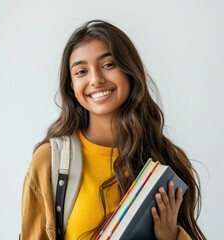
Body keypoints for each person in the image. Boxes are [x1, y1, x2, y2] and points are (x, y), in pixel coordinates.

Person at [20, 20, 206, 240]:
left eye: (108, 65)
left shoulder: (168, 160)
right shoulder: (50, 162)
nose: (96, 79)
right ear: (71, 85)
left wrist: (171, 236)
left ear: (130, 71)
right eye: (81, 71)